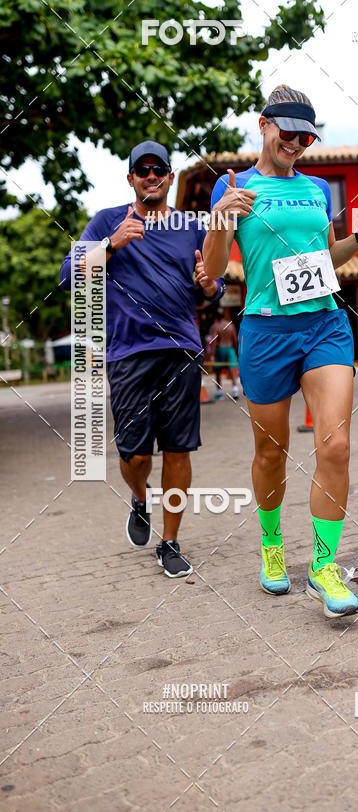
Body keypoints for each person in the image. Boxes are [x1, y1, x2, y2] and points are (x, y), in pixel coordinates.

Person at [202, 84, 358, 619]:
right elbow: (211, 272)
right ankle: (273, 546)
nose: (297, 142)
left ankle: (324, 567)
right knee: (270, 453)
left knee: (336, 446)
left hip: (325, 322)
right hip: (265, 331)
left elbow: (327, 259)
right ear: (264, 125)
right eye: (289, 132)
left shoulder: (317, 189)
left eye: (307, 136)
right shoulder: (236, 189)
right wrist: (221, 219)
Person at [60, 140, 225, 576]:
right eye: (143, 170)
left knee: (178, 447)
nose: (152, 176)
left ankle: (170, 541)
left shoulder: (192, 225)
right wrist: (111, 245)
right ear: (131, 178)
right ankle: (139, 497)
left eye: (160, 169)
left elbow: (213, 281)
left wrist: (210, 285)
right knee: (133, 455)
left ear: (170, 177)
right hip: (127, 352)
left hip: (182, 350)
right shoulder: (108, 221)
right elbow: (66, 277)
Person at [207, 307, 240, 399]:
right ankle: (235, 390)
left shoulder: (215, 326)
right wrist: (237, 352)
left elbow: (213, 341)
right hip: (230, 349)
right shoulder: (230, 325)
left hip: (219, 349)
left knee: (218, 372)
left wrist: (212, 354)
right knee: (232, 371)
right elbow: (235, 341)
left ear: (216, 316)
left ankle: (219, 392)